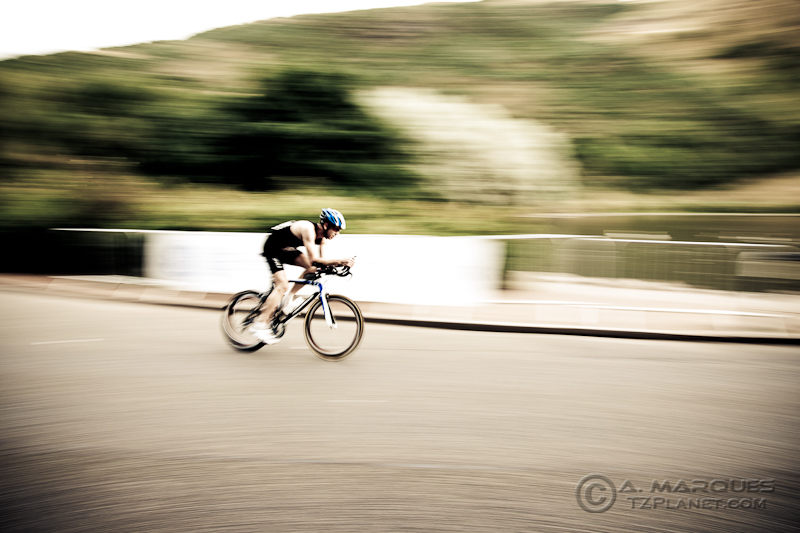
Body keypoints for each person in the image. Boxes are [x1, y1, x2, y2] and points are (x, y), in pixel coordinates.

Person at [251, 208, 354, 344]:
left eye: (339, 230)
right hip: (272, 247)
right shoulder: (308, 229)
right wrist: (339, 261)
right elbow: (314, 259)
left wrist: (334, 267)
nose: (337, 233)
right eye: (336, 229)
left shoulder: (322, 239)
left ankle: (289, 297)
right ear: (326, 225)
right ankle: (260, 324)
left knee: (313, 269)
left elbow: (319, 263)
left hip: (286, 249)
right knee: (282, 285)